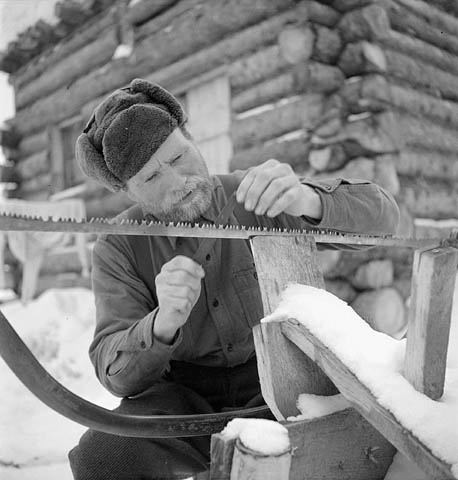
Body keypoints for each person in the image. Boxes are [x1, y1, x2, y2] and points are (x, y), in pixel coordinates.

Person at [69, 78, 400, 479]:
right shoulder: (119, 246)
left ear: (192, 140)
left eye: (177, 158)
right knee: (102, 455)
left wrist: (308, 200)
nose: (177, 182)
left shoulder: (253, 196)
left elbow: (384, 220)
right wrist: (161, 324)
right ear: (129, 192)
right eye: (152, 179)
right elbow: (114, 372)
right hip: (183, 399)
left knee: (362, 430)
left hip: (278, 381)